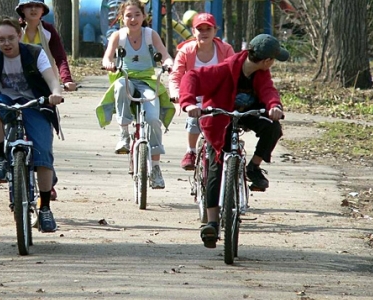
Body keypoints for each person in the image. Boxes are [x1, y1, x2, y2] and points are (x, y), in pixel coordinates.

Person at [179, 33, 288, 248]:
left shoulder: (261, 73)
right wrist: (189, 103)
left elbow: (268, 91)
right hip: (220, 118)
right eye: (274, 60)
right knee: (216, 165)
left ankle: (254, 168)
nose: (272, 64)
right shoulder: (226, 69)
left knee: (273, 128)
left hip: (248, 114)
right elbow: (192, 77)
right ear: (267, 61)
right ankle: (211, 222)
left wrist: (274, 106)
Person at [0, 17, 63, 233]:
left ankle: (46, 209)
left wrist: (55, 93)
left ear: (19, 36)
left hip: (35, 103)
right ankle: (1, 159)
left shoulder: (34, 53)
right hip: (5, 101)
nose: (7, 43)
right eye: (1, 39)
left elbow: (51, 78)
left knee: (43, 155)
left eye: (11, 38)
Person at [98, 0, 175, 189]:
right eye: (128, 15)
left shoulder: (150, 35)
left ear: (144, 16)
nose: (133, 19)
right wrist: (109, 63)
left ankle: (155, 167)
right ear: (122, 18)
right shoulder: (118, 36)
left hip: (148, 80)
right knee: (120, 86)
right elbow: (107, 56)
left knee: (153, 119)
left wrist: (169, 63)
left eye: (137, 15)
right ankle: (124, 134)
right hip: (126, 77)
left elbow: (165, 54)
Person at [15, 0, 77, 200]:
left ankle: (47, 180)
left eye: (37, 6)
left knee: (43, 136)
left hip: (43, 88)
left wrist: (66, 80)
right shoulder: (14, 30)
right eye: (28, 6)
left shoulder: (48, 31)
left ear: (43, 10)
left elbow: (59, 57)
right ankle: (12, 170)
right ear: (21, 10)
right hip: (15, 86)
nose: (33, 10)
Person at [168, 13, 234, 171]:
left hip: (218, 94)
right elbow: (175, 75)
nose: (204, 32)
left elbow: (235, 73)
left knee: (227, 122)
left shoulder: (226, 50)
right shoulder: (186, 51)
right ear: (193, 31)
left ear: (215, 31)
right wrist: (176, 93)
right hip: (194, 94)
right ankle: (190, 151)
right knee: (194, 119)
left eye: (208, 29)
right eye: (200, 29)